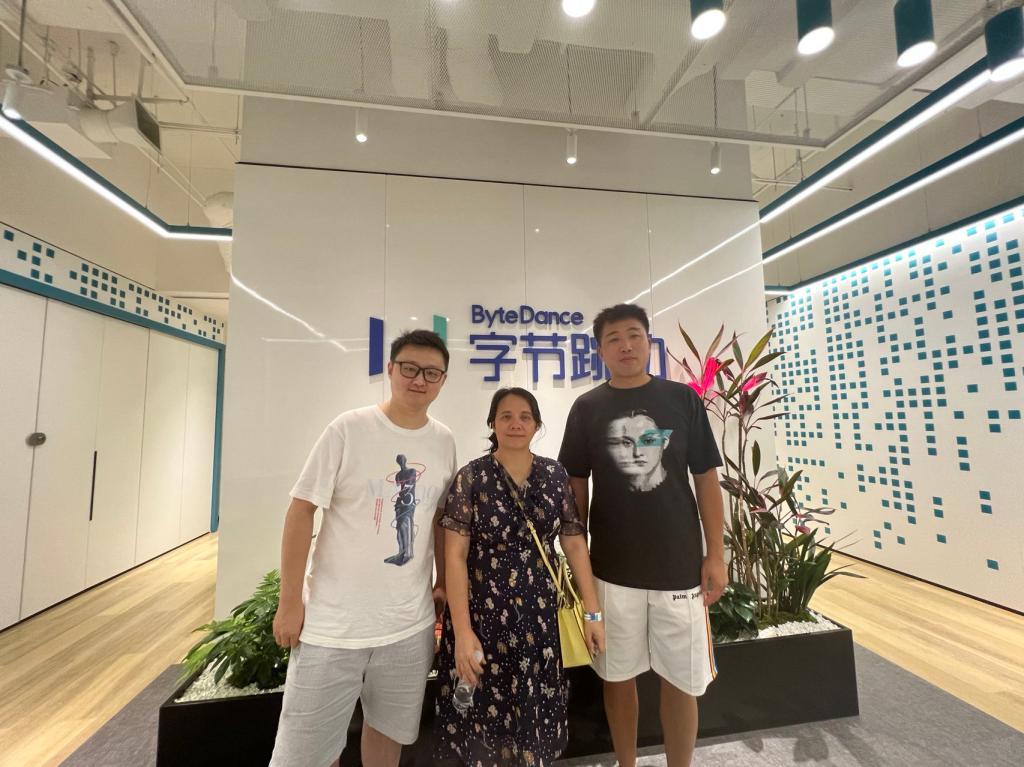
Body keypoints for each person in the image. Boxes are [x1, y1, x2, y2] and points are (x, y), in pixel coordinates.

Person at [269, 329, 458, 767]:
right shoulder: (348, 429)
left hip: (408, 626)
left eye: (431, 373)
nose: (419, 379)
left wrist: (443, 583)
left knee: (388, 738)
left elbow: (440, 518)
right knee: (306, 755)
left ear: (443, 380)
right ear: (390, 370)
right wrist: (289, 601)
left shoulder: (443, 440)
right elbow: (301, 510)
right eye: (409, 368)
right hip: (333, 626)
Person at [558, 304, 726, 767]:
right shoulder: (587, 408)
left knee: (682, 681)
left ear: (649, 342)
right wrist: (580, 564)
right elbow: (575, 486)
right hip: (612, 571)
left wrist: (716, 554)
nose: (626, 345)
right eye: (613, 339)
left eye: (634, 335)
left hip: (680, 569)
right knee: (618, 678)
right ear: (600, 351)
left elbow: (706, 478)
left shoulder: (682, 400)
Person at [435, 387, 606, 766]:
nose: (516, 424)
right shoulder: (472, 478)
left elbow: (574, 543)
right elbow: (455, 556)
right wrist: (462, 632)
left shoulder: (554, 475)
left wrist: (592, 614)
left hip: (538, 620)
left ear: (537, 425)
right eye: (506, 416)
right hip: (482, 618)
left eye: (525, 416)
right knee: (481, 718)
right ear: (492, 423)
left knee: (534, 715)